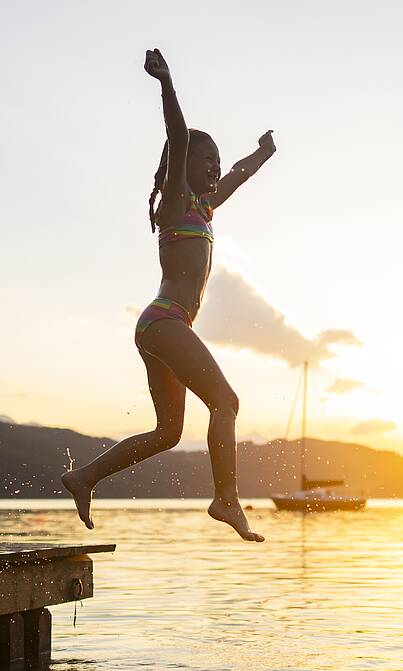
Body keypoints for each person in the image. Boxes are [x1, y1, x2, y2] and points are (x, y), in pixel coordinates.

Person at [62, 48, 276, 542]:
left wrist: (261, 154)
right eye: (207, 159)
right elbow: (178, 137)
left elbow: (238, 176)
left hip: (159, 328)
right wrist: (166, 84)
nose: (215, 167)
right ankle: (226, 499)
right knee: (226, 403)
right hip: (165, 322)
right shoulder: (177, 200)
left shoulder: (204, 207)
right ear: (183, 166)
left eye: (216, 162)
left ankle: (84, 476)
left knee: (169, 433)